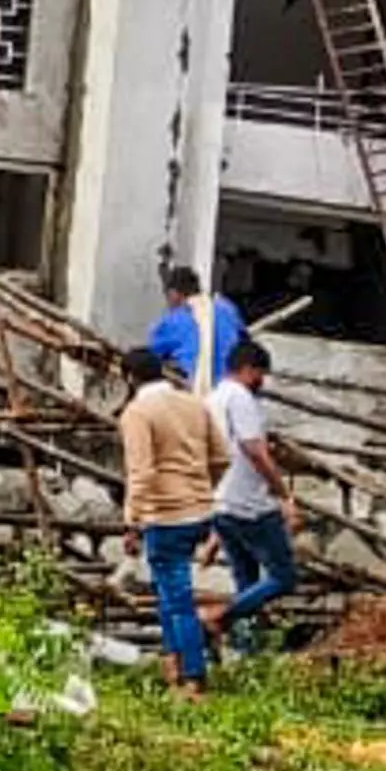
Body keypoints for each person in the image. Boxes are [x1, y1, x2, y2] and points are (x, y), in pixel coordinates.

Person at [119, 343, 227, 698]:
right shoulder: (194, 403)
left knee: (177, 597)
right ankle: (174, 666)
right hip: (199, 510)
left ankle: (194, 677)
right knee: (168, 591)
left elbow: (142, 472)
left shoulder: (137, 412)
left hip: (165, 515)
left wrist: (132, 521)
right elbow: (222, 457)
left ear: (130, 378)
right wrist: (202, 489)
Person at [202, 338, 301, 651]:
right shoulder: (241, 398)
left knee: (246, 581)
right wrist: (283, 495)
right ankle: (220, 615)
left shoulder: (211, 399)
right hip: (251, 504)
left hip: (222, 504)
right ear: (246, 369)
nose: (262, 382)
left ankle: (248, 652)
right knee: (284, 577)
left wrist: (214, 537)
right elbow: (254, 450)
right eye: (260, 374)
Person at [148, 264, 248, 396]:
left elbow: (151, 357)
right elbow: (244, 340)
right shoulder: (227, 308)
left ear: (173, 293)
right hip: (232, 390)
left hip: (196, 394)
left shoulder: (174, 320)